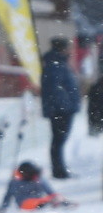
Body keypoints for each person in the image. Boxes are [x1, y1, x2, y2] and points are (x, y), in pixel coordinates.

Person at [39, 37, 79, 180]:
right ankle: (59, 171)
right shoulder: (55, 64)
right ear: (62, 49)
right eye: (68, 47)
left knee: (59, 141)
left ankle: (60, 169)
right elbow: (54, 89)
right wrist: (65, 106)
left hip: (62, 109)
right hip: (61, 111)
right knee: (59, 141)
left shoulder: (58, 63)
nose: (70, 51)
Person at [0, 161, 73, 212]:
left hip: (40, 200)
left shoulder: (39, 179)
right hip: (25, 203)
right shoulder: (15, 182)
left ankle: (62, 203)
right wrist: (3, 207)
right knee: (31, 203)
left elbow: (50, 192)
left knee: (55, 197)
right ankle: (47, 204)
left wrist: (55, 197)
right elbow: (8, 195)